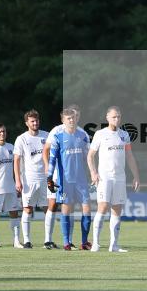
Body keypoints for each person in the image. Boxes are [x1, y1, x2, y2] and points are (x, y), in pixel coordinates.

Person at [87, 106, 140, 253]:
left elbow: (129, 156)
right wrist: (93, 173)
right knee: (103, 207)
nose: (117, 119)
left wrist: (136, 176)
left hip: (120, 178)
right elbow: (90, 156)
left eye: (119, 117)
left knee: (117, 209)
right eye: (114, 117)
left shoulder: (124, 135)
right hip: (104, 177)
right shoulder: (100, 134)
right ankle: (96, 244)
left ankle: (114, 245)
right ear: (107, 118)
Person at [47, 107, 91, 251]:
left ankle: (84, 242)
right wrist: (49, 177)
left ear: (76, 118)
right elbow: (52, 159)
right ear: (63, 120)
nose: (71, 120)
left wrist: (93, 173)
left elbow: (89, 158)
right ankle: (66, 242)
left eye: (73, 118)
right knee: (66, 209)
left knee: (87, 208)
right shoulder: (58, 137)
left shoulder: (83, 135)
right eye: (68, 118)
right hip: (65, 181)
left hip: (81, 180)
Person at [13, 110, 48, 249]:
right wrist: (17, 180)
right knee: (27, 209)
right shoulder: (21, 139)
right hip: (29, 179)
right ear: (27, 123)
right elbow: (16, 160)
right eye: (32, 121)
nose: (35, 123)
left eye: (37, 120)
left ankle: (48, 240)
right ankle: (27, 240)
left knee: (48, 209)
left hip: (45, 178)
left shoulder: (46, 136)